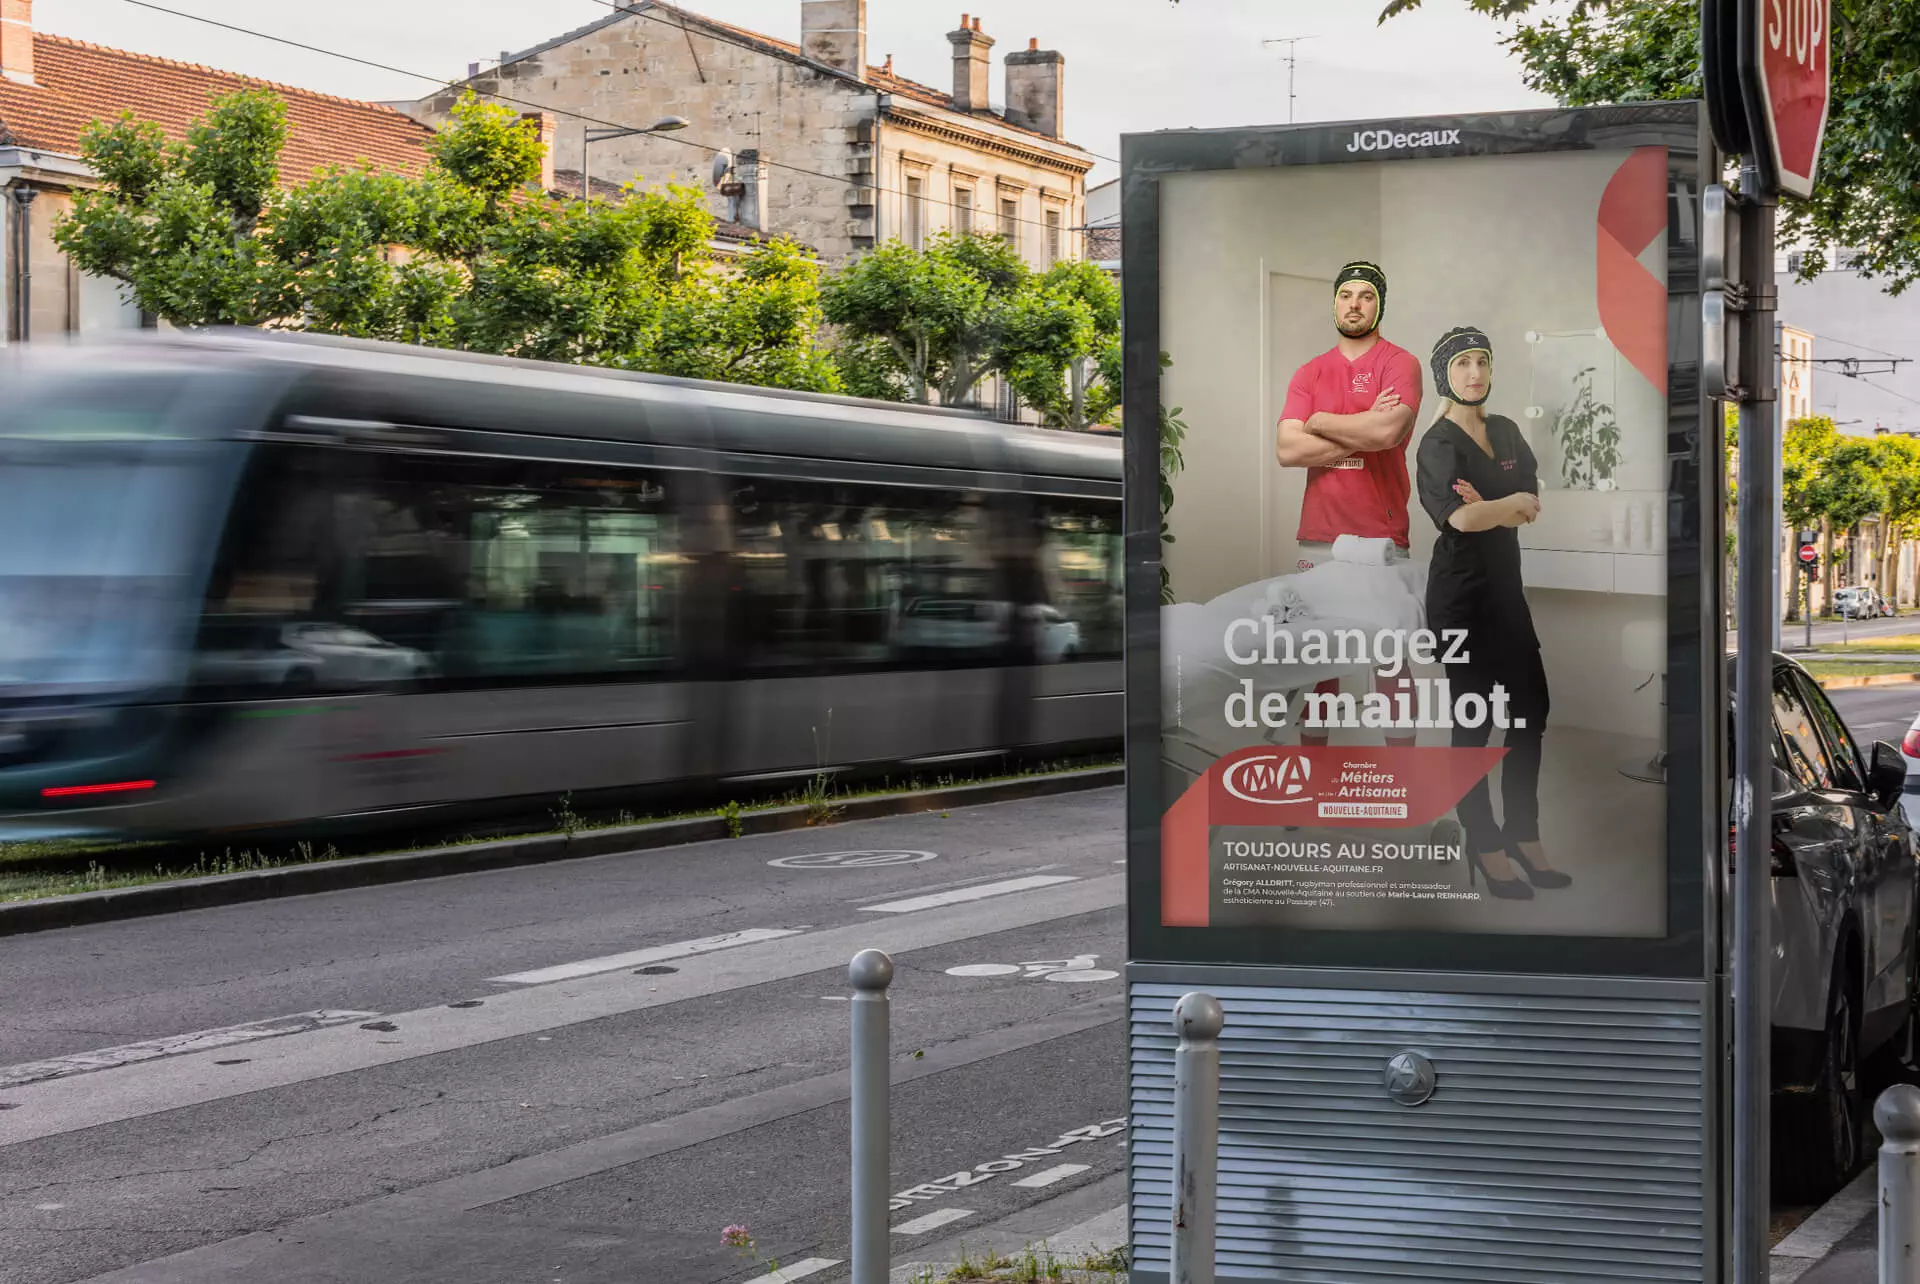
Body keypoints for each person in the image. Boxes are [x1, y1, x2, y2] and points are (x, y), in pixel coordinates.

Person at [1414, 326, 1563, 900]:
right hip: (1460, 596)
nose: (1474, 373)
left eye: (1482, 361)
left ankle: (1522, 832)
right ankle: (1483, 838)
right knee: (1474, 724)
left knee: (1531, 711)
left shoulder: (1504, 431)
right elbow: (1460, 520)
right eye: (1462, 364)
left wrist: (1494, 504)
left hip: (1506, 593)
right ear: (1444, 374)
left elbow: (1531, 503)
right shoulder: (1437, 444)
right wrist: (1498, 505)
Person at [1274, 260, 1423, 747]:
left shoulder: (1400, 364)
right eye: (1345, 295)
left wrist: (1317, 421)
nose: (1354, 304)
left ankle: (1405, 784)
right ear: (1333, 301)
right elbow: (1287, 451)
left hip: (1380, 540)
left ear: (1379, 305)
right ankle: (1313, 779)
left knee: (1390, 660)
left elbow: (1388, 431)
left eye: (1365, 296)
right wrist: (1362, 430)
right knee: (1317, 662)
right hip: (1318, 537)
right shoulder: (1309, 372)